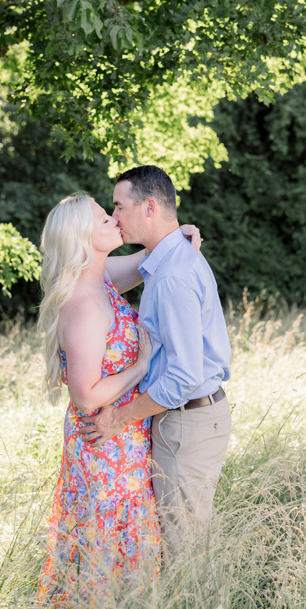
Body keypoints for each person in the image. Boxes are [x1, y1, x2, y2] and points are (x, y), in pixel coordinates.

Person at [36, 192, 201, 607]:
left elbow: (151, 259)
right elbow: (86, 394)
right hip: (103, 443)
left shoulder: (101, 277)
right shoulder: (82, 303)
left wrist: (175, 235)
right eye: (102, 217)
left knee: (124, 539)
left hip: (123, 438)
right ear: (81, 236)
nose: (113, 218)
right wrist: (141, 368)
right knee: (104, 540)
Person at [79, 165, 232, 561]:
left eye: (119, 206)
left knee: (185, 552)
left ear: (149, 207)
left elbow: (182, 378)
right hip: (178, 419)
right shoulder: (164, 263)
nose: (115, 217)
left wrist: (120, 417)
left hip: (186, 419)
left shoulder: (171, 275)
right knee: (178, 542)